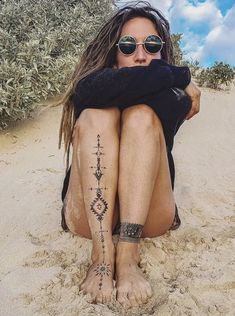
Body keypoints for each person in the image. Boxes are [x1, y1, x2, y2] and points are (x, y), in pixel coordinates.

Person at [57, 1, 200, 308]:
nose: (140, 54)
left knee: (140, 115)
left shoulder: (172, 98)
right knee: (97, 115)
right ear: (113, 55)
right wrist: (182, 76)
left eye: (152, 45)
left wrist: (173, 78)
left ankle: (128, 253)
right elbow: (86, 91)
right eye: (127, 45)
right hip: (88, 220)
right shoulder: (96, 85)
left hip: (150, 216)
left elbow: (152, 87)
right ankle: (103, 255)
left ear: (162, 53)